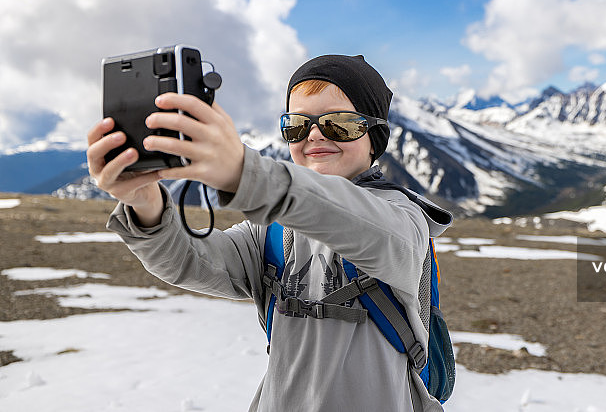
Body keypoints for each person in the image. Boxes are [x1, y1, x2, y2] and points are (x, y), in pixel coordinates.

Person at [86, 54, 452, 411]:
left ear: (375, 138)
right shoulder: (273, 232)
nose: (315, 136)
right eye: (296, 125)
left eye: (340, 123)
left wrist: (245, 173)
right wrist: (145, 205)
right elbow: (188, 262)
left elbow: (367, 228)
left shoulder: (404, 219)